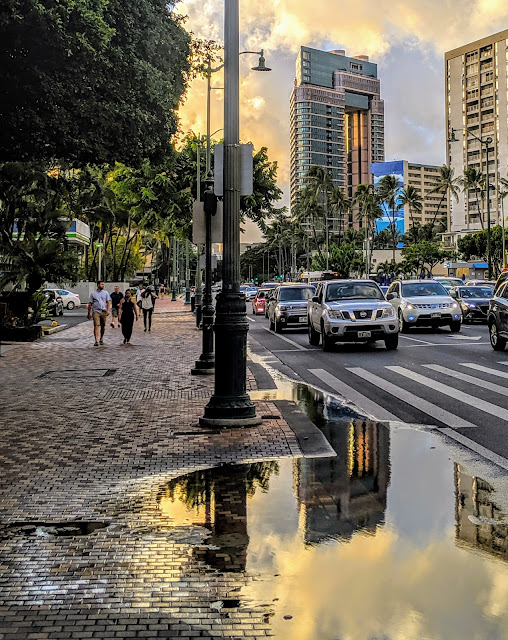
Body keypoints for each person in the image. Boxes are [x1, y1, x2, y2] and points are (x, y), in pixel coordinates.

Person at [88, 281, 111, 346]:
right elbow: (90, 303)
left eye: (103, 284)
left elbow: (108, 302)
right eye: (101, 284)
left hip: (103, 311)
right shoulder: (93, 293)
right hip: (96, 311)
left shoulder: (106, 293)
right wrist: (89, 313)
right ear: (98, 285)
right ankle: (96, 340)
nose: (103, 285)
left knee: (103, 326)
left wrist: (108, 310)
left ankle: (101, 338)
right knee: (96, 325)